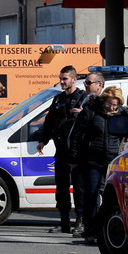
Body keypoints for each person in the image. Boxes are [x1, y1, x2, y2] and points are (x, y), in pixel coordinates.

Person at [69, 86, 128, 244]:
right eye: (109, 104)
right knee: (92, 195)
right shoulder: (91, 112)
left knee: (111, 197)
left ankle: (105, 228)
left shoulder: (122, 116)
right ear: (104, 101)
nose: (112, 107)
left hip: (113, 161)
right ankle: (90, 231)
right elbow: (76, 136)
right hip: (92, 160)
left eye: (115, 105)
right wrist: (74, 158)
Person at [37, 65, 85, 233]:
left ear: (74, 79)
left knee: (79, 187)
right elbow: (49, 122)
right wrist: (43, 140)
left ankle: (80, 222)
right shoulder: (58, 99)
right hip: (61, 149)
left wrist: (82, 114)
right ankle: (64, 222)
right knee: (61, 187)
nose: (62, 82)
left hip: (76, 151)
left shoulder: (82, 98)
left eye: (65, 79)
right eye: (61, 78)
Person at [68, 71, 105, 238]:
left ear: (100, 85)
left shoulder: (103, 105)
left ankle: (94, 227)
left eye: (89, 83)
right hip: (86, 156)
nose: (85, 86)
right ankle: (87, 226)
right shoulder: (85, 102)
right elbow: (76, 134)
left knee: (96, 193)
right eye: (85, 83)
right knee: (85, 192)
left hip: (101, 157)